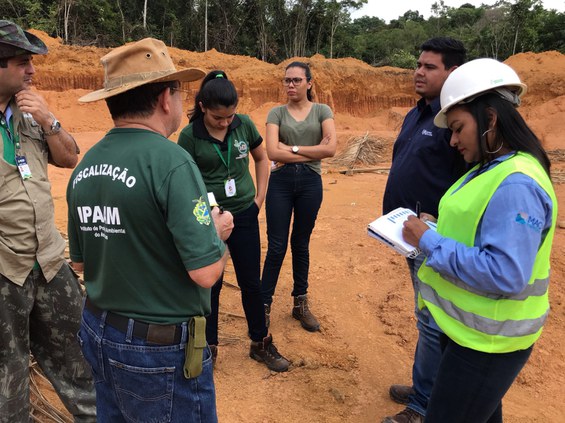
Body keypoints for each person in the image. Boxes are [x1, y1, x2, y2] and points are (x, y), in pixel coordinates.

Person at [67, 38, 234, 422]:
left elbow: (80, 263)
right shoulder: (172, 162)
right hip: (157, 350)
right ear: (164, 98)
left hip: (98, 331)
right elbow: (206, 272)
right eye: (179, 91)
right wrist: (217, 233)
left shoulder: (87, 166)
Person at [402, 57, 556, 423]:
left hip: (487, 345)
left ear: (489, 118)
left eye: (457, 128)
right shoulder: (493, 167)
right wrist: (439, 229)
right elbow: (482, 233)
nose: (453, 140)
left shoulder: (517, 182)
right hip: (469, 335)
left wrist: (429, 242)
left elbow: (506, 272)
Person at [0, 20, 96, 422]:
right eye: (23, 62)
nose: (32, 71)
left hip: (50, 261)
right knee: (9, 374)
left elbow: (70, 157)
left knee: (81, 357)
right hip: (5, 270)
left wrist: (49, 119)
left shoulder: (28, 114)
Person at [177, 70, 290, 372]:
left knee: (251, 282)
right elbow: (184, 180)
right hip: (209, 220)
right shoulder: (189, 136)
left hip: (244, 214)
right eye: (218, 118)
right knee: (209, 285)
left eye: (230, 117)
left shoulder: (245, 125)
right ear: (202, 107)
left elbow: (262, 158)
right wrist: (203, 215)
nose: (225, 123)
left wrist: (258, 201)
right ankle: (207, 348)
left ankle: (260, 342)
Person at [381, 37, 467, 423]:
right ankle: (424, 388)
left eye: (429, 67)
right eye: (418, 64)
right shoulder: (418, 114)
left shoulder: (455, 123)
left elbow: (464, 184)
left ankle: (422, 406)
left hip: (434, 239)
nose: (418, 71)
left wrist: (435, 228)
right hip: (410, 236)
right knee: (425, 313)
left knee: (432, 320)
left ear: (453, 73)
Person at [261, 61, 337, 333]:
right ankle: (263, 306)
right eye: (286, 80)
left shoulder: (322, 110)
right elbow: (271, 152)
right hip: (280, 184)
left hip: (310, 183)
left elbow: (331, 149)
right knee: (277, 245)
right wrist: (311, 151)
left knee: (301, 243)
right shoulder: (276, 113)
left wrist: (291, 148)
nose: (290, 85)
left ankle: (300, 303)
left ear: (309, 83)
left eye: (295, 80)